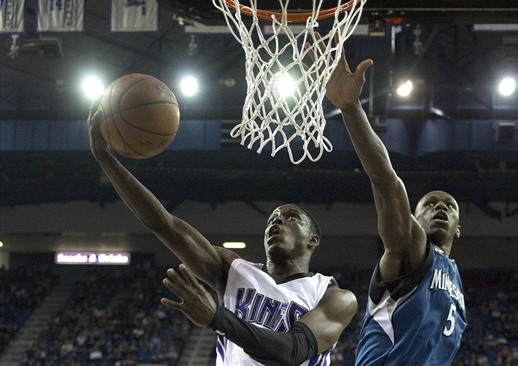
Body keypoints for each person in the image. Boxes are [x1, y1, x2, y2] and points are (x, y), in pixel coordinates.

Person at [87, 109, 358, 366]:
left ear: (313, 240)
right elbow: (164, 224)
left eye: (290, 217)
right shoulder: (232, 270)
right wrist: (105, 158)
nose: (277, 219)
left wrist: (217, 318)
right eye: (272, 217)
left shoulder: (333, 297)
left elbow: (293, 351)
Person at [321, 36, 468, 364]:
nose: (440, 206)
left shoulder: (453, 277)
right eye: (429, 204)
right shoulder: (411, 249)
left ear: (459, 228)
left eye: (448, 205)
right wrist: (350, 107)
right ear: (412, 218)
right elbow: (386, 183)